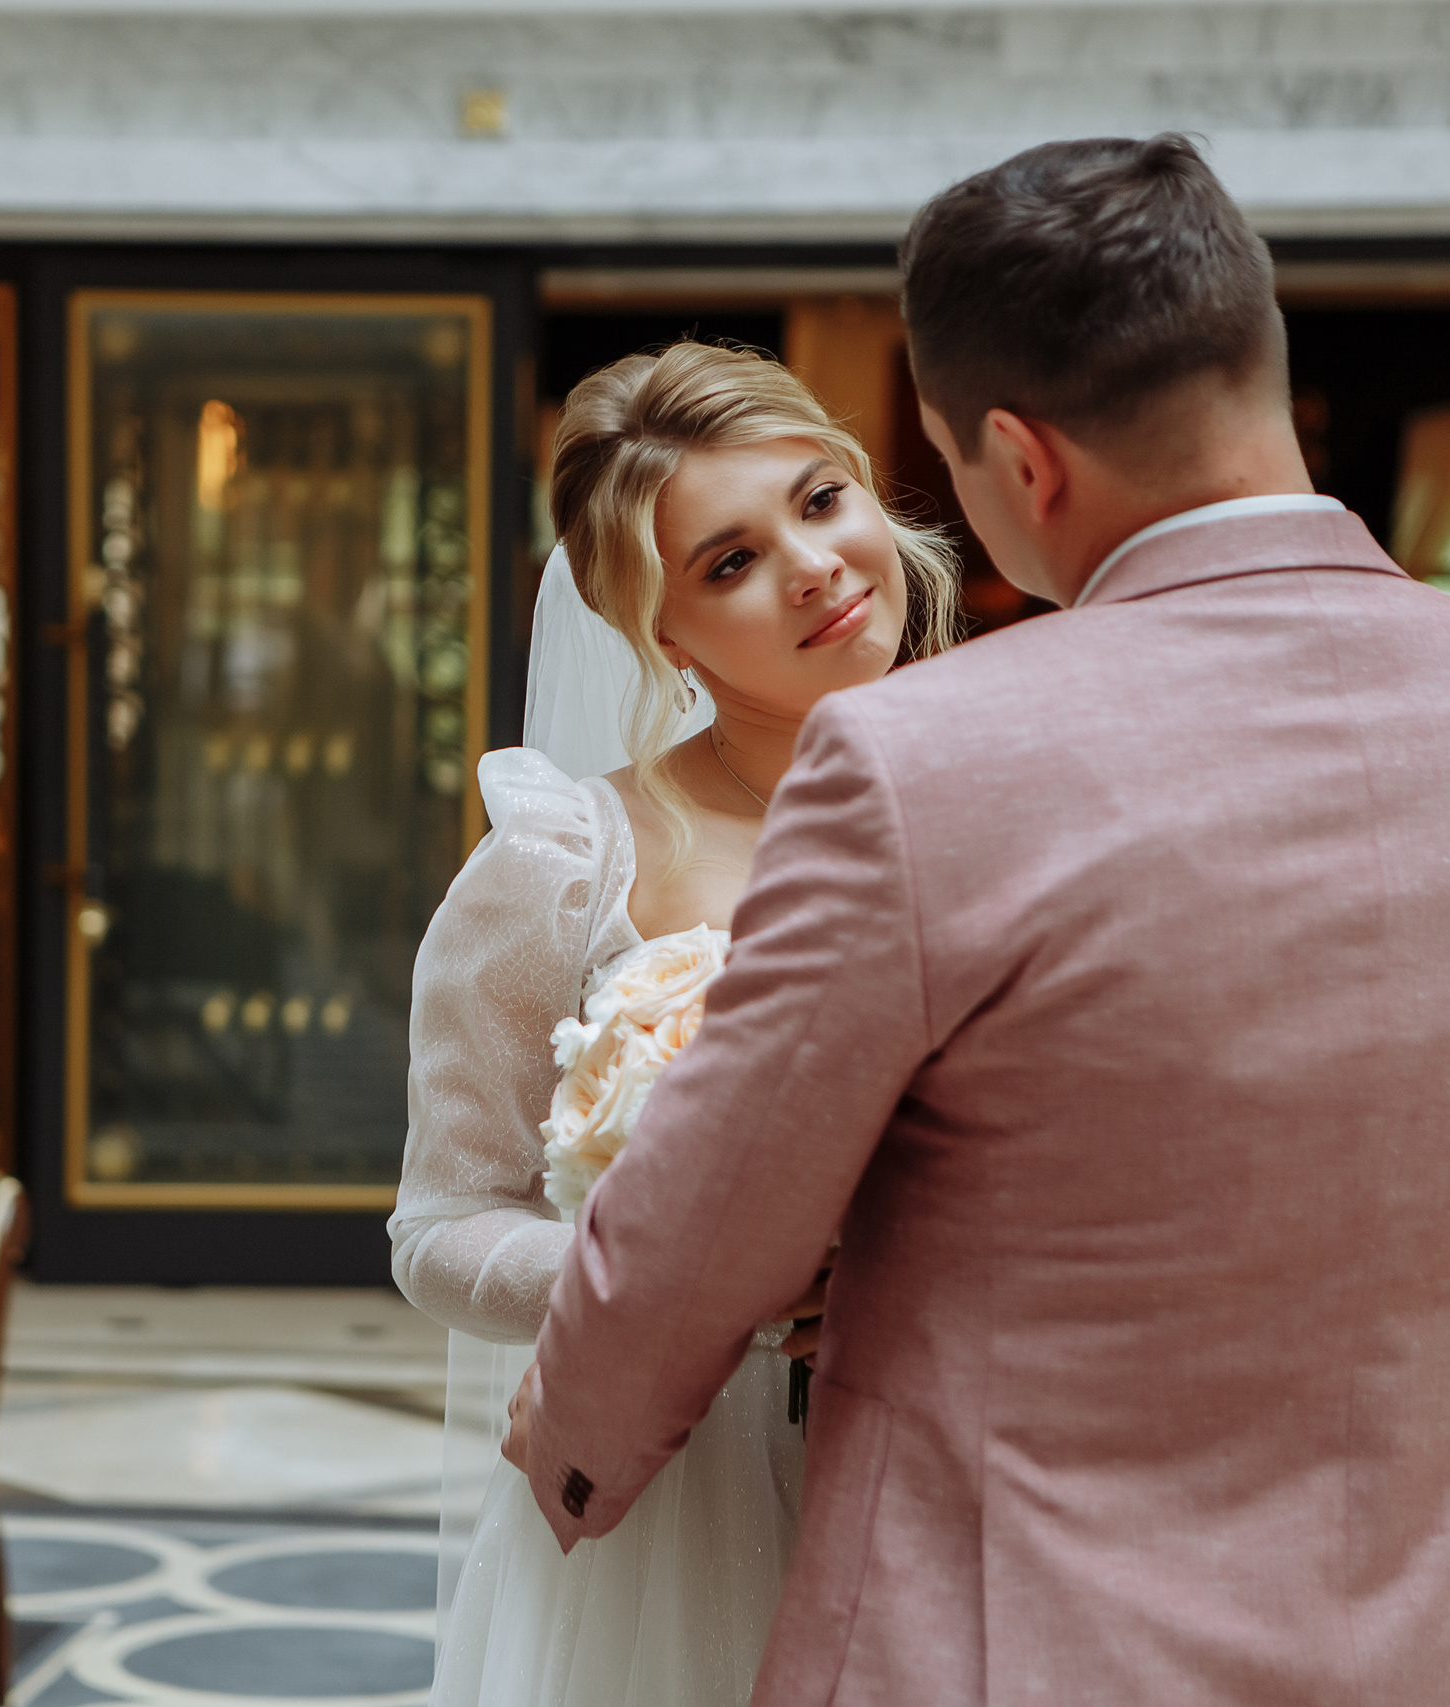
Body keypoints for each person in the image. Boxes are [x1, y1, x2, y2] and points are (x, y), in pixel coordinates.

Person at [504, 135, 1450, 1707]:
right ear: (1260, 358)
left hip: (1025, 1642)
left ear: (1019, 457)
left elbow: (696, 1242)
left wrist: (569, 1458)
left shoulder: (918, 761)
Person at [389, 341, 964, 1707]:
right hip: (689, 1514)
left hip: (969, 1461)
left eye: (821, 502)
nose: (814, 565)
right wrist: (686, 1272)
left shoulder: (1029, 794)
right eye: (729, 563)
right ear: (661, 635)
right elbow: (439, 1228)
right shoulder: (566, 864)